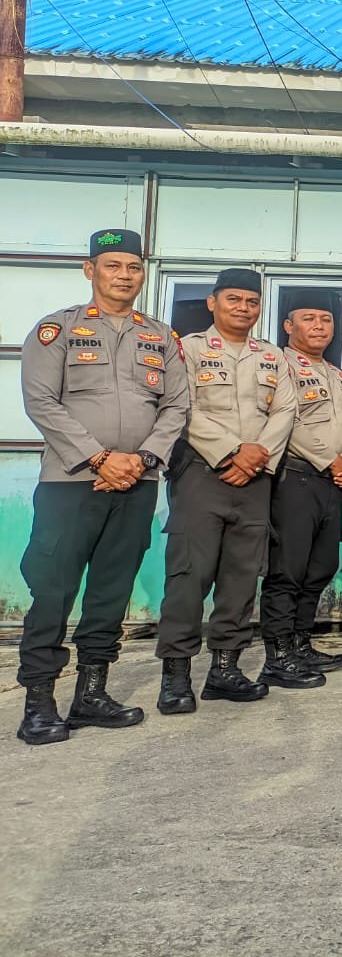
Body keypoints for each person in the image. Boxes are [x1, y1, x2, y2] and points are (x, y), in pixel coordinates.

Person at [15, 228, 188, 745]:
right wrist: (99, 457)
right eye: (113, 265)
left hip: (137, 481)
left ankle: (91, 694)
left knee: (111, 592)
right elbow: (41, 402)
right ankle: (38, 703)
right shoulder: (58, 330)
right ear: (90, 270)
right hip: (71, 483)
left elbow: (176, 405)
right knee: (52, 591)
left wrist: (145, 458)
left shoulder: (160, 336)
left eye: (133, 267)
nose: (124, 276)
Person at [156, 268, 296, 713]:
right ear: (212, 303)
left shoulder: (272, 356)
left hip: (256, 477)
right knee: (189, 576)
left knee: (241, 576)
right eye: (233, 299)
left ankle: (224, 670)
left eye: (252, 301)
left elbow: (285, 410)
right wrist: (233, 451)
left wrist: (257, 457)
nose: (243, 308)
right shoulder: (188, 349)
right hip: (202, 473)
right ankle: (176, 677)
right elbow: (181, 407)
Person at [261, 290, 342, 691]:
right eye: (309, 318)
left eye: (326, 319)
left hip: (331, 483)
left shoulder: (338, 374)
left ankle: (300, 644)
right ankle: (277, 655)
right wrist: (329, 459)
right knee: (287, 571)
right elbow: (288, 421)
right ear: (289, 325)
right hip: (295, 478)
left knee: (319, 567)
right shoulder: (279, 364)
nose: (319, 326)